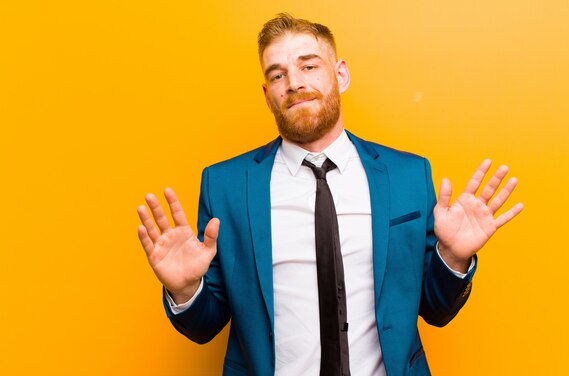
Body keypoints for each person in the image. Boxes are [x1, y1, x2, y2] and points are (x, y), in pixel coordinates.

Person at [136, 13, 523, 376]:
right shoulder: (226, 185)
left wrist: (453, 259)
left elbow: (435, 309)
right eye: (277, 74)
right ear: (268, 94)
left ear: (340, 74)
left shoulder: (408, 175)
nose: (294, 83)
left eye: (308, 66)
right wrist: (185, 290)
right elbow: (206, 325)